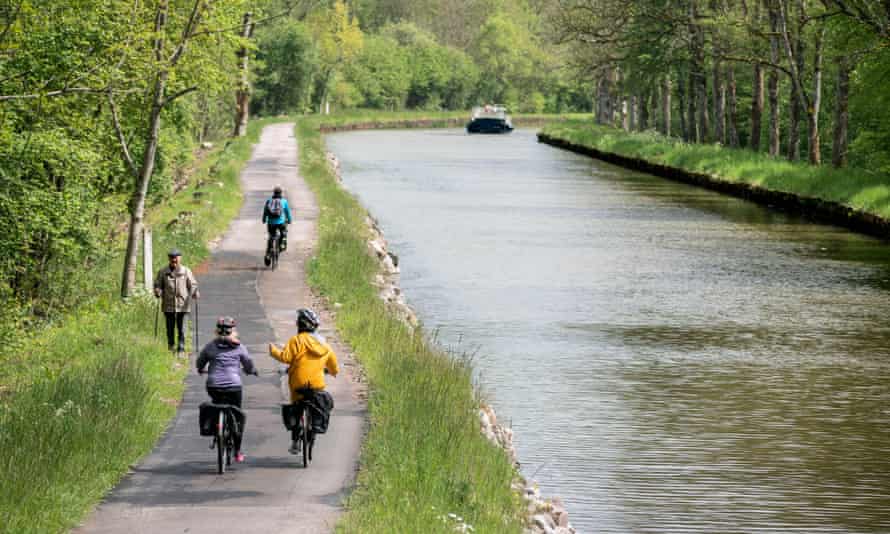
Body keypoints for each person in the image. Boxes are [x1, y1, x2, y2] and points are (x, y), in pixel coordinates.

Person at [268, 308, 338, 454]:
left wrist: (273, 351)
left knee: (296, 406)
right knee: (317, 401)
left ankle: (295, 442)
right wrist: (331, 372)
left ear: (299, 325)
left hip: (297, 384)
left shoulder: (296, 340)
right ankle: (314, 429)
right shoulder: (324, 344)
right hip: (317, 384)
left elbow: (285, 358)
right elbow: (333, 367)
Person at [197, 316, 257, 463]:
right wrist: (251, 371)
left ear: (216, 331)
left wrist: (200, 368)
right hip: (233, 386)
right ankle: (237, 451)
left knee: (216, 404)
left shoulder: (210, 346)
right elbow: (248, 365)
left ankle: (216, 426)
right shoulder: (239, 347)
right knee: (237, 416)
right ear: (233, 331)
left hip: (213, 386)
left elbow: (200, 362)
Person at [153, 249, 199, 353]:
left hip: (183, 305)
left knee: (182, 329)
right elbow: (157, 285)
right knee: (170, 328)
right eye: (172, 258)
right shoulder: (163, 272)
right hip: (168, 305)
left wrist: (194, 292)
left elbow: (193, 284)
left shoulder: (186, 271)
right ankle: (171, 346)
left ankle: (181, 348)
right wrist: (157, 291)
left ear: (180, 258)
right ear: (169, 259)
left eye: (176, 258)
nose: (174, 260)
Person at [262, 185, 292, 266]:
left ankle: (268, 254)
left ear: (274, 193)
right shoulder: (284, 201)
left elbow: (265, 211)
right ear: (281, 193)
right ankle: (281, 245)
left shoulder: (269, 200)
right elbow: (288, 213)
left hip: (271, 223)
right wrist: (289, 220)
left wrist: (264, 219)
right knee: (283, 233)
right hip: (281, 223)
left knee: (271, 237)